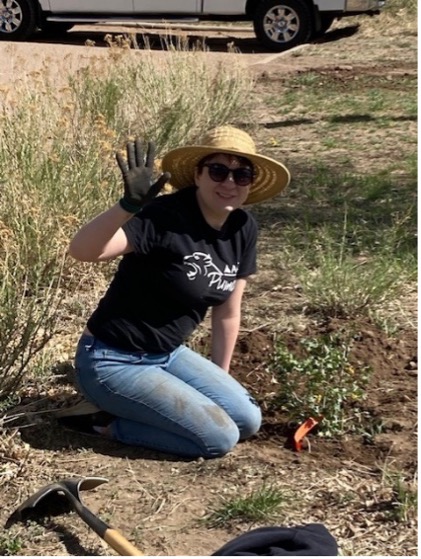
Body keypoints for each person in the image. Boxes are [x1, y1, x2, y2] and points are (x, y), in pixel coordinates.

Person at [62, 125, 290, 459]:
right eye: (218, 171)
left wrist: (218, 382)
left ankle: (153, 409)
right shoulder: (164, 217)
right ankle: (103, 424)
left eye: (241, 175)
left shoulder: (244, 228)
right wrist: (127, 206)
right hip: (112, 360)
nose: (229, 183)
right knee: (220, 438)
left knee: (247, 419)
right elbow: (83, 251)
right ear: (198, 175)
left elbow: (228, 311)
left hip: (168, 355)